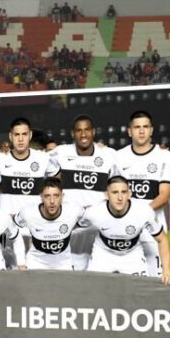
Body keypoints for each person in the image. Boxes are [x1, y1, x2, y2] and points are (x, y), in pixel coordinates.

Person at [48, 114, 119, 270]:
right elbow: (34, 160)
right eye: (79, 131)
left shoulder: (109, 155)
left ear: (93, 132)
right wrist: (2, 152)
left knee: (98, 273)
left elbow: (120, 185)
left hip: (97, 227)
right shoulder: (61, 152)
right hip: (70, 226)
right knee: (68, 271)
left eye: (87, 130)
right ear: (72, 134)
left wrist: (157, 149)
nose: (83, 134)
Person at [78, 176, 170, 284]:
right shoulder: (94, 211)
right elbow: (74, 223)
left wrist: (166, 271)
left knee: (139, 293)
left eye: (123, 192)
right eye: (114, 192)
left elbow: (162, 239)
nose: (120, 197)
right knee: (93, 289)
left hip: (132, 255)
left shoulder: (143, 212)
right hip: (103, 255)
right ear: (106, 195)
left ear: (129, 194)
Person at [116, 110, 170, 276]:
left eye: (145, 127)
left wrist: (140, 214)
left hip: (154, 230)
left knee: (157, 282)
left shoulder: (164, 155)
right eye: (137, 127)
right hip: (126, 230)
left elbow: (164, 195)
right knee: (129, 283)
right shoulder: (118, 156)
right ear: (129, 131)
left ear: (151, 130)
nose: (141, 131)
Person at [13, 177, 84, 271]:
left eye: (56, 196)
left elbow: (88, 220)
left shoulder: (74, 210)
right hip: (35, 264)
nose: (52, 201)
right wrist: (21, 260)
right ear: (41, 197)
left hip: (64, 265)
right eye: (47, 196)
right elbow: (13, 225)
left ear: (62, 196)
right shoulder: (28, 213)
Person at [0, 117, 60, 219]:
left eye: (24, 134)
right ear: (10, 136)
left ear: (30, 135)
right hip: (7, 224)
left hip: (35, 223)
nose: (20, 139)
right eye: (17, 135)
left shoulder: (43, 158)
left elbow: (58, 181)